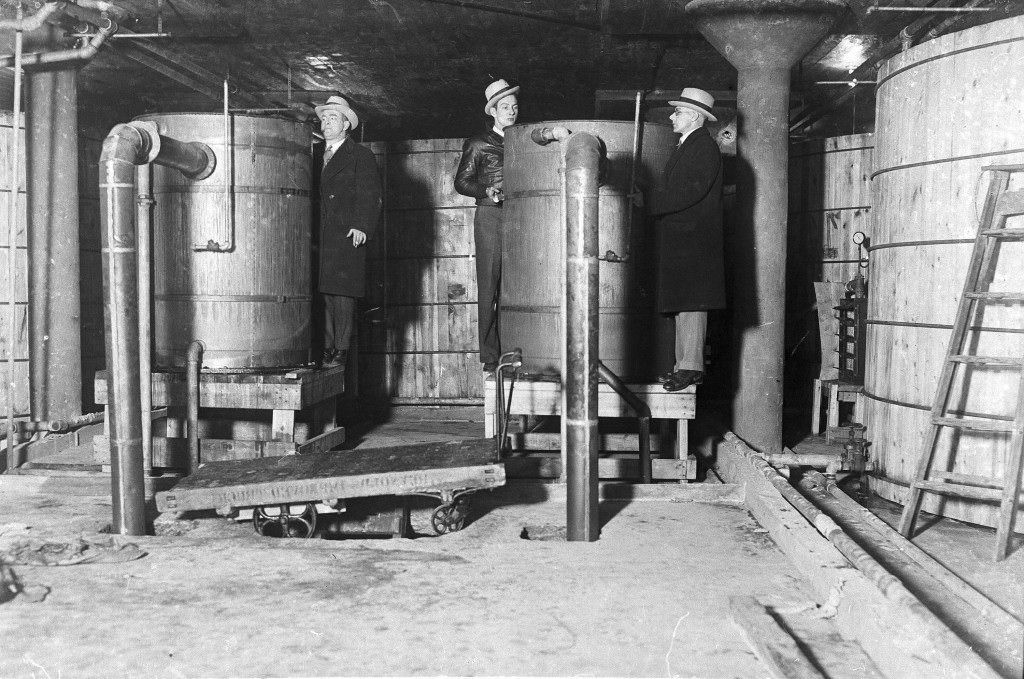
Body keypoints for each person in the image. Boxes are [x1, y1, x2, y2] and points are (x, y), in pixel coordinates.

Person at [641, 87, 724, 392]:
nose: (672, 116)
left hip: (694, 241)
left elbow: (687, 192)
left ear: (693, 116)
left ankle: (690, 367)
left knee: (691, 304)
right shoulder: (689, 145)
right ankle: (684, 367)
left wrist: (648, 202)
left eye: (677, 111)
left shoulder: (703, 147)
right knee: (684, 304)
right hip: (685, 240)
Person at [454, 78, 519, 372]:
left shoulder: (520, 140)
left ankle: (513, 350)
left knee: (515, 287)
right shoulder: (478, 143)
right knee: (490, 286)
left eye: (514, 106)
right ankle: (491, 356)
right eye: (505, 106)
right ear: (493, 111)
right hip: (491, 216)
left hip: (521, 218)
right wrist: (487, 190)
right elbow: (461, 182)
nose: (511, 111)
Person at [315, 95, 382, 368]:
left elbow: (371, 194)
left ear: (346, 125)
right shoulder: (313, 153)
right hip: (320, 235)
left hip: (346, 233)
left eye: (333, 118)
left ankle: (340, 349)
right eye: (323, 118)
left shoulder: (361, 156)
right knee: (325, 294)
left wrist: (362, 225)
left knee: (342, 293)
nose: (326, 122)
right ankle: (328, 348)